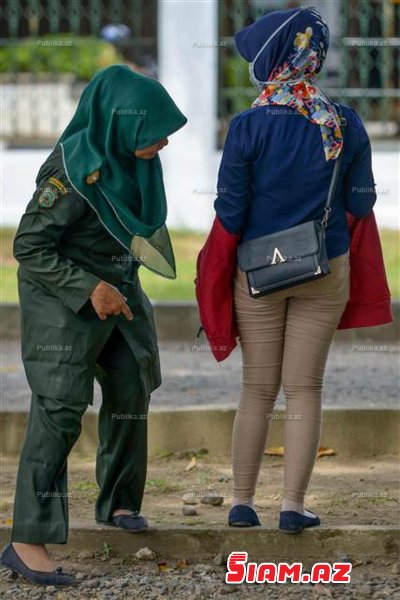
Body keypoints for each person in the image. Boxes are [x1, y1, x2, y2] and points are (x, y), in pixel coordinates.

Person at [196, 6, 391, 532]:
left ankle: (241, 503)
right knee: (305, 389)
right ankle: (292, 506)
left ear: (273, 58)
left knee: (257, 389)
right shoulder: (343, 122)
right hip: (324, 266)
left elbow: (231, 211)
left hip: (259, 273)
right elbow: (362, 199)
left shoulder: (248, 124)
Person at [0, 64, 187, 586]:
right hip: (62, 299)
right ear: (120, 123)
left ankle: (119, 504)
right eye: (154, 131)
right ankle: (25, 541)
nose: (165, 142)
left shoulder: (133, 158)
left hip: (119, 292)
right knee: (59, 411)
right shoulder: (69, 171)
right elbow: (29, 247)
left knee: (131, 386)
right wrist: (88, 289)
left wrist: (114, 287)